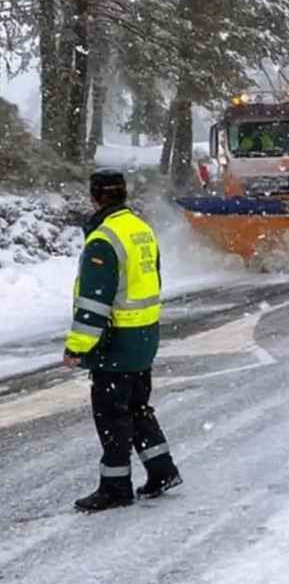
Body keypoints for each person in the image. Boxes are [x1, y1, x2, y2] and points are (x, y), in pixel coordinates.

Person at [65, 170, 182, 512]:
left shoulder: (105, 239)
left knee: (112, 416)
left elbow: (93, 303)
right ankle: (162, 470)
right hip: (144, 337)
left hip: (116, 342)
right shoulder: (140, 230)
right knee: (137, 408)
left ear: (95, 197)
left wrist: (77, 347)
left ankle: (115, 487)